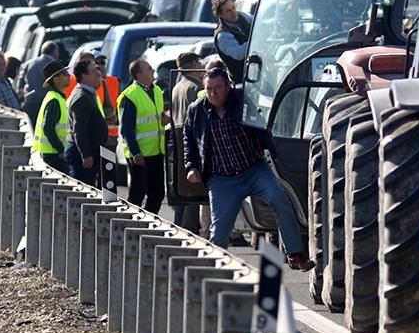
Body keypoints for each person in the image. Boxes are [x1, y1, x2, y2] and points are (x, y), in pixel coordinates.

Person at [182, 67, 313, 270]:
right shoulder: (197, 110)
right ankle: (215, 273)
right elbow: (188, 139)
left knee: (279, 197)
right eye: (209, 89)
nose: (213, 93)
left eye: (218, 88)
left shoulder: (244, 100)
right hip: (222, 179)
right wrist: (190, 166)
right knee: (219, 232)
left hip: (253, 169)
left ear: (228, 86)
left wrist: (278, 146)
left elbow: (268, 116)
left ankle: (295, 254)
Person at [117, 59, 169, 213]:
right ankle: (130, 223)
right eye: (149, 69)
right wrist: (135, 152)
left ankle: (148, 223)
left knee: (157, 194)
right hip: (140, 155)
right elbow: (126, 129)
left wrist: (164, 118)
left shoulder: (157, 91)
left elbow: (154, 115)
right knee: (137, 194)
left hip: (156, 152)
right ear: (139, 75)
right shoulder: (130, 96)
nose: (153, 70)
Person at [171, 52, 207, 234]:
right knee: (195, 188)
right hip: (191, 138)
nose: (201, 65)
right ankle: (189, 228)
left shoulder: (177, 86)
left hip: (178, 138)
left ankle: (180, 224)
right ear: (192, 63)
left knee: (182, 187)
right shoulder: (195, 87)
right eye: (199, 61)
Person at [66, 58, 113, 189]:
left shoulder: (89, 94)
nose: (99, 74)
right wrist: (86, 155)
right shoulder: (81, 98)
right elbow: (79, 130)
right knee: (83, 190)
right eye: (94, 71)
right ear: (84, 76)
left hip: (92, 152)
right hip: (84, 155)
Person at [34, 60, 71, 173]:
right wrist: (61, 150)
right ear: (55, 79)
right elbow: (48, 128)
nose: (69, 76)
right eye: (65, 74)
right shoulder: (54, 100)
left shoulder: (56, 97)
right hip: (54, 157)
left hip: (53, 155)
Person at [211, 0, 252, 83]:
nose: (233, 13)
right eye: (228, 11)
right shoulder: (222, 36)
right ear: (220, 15)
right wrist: (256, 40)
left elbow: (259, 25)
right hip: (243, 81)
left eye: (233, 7)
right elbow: (239, 54)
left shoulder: (243, 17)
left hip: (259, 72)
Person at [19, 41, 59, 127]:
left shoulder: (29, 63)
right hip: (46, 104)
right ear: (54, 52)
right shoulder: (54, 65)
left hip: (29, 103)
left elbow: (20, 83)